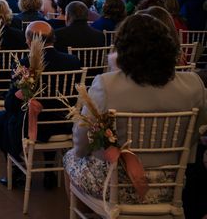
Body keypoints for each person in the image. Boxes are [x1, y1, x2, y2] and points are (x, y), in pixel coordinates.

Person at [63, 15, 206, 204]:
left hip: (116, 184)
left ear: (123, 48)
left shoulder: (106, 84)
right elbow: (198, 131)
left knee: (69, 158)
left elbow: (82, 141)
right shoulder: (193, 84)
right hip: (172, 183)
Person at [0, 21, 81, 187]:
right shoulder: (72, 61)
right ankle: (49, 172)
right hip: (64, 123)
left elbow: (11, 104)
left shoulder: (25, 64)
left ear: (31, 41)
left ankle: (17, 169)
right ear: (53, 39)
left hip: (33, 124)